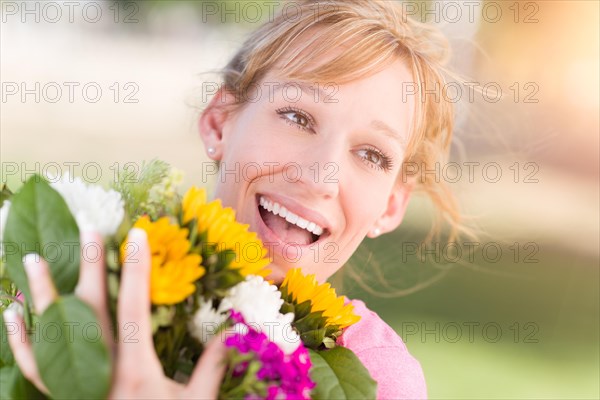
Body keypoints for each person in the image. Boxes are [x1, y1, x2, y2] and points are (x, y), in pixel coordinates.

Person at [4, 1, 461, 398]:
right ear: (220, 123)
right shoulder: (87, 278)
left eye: (370, 154)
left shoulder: (378, 378)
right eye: (298, 116)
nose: (321, 175)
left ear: (391, 205)